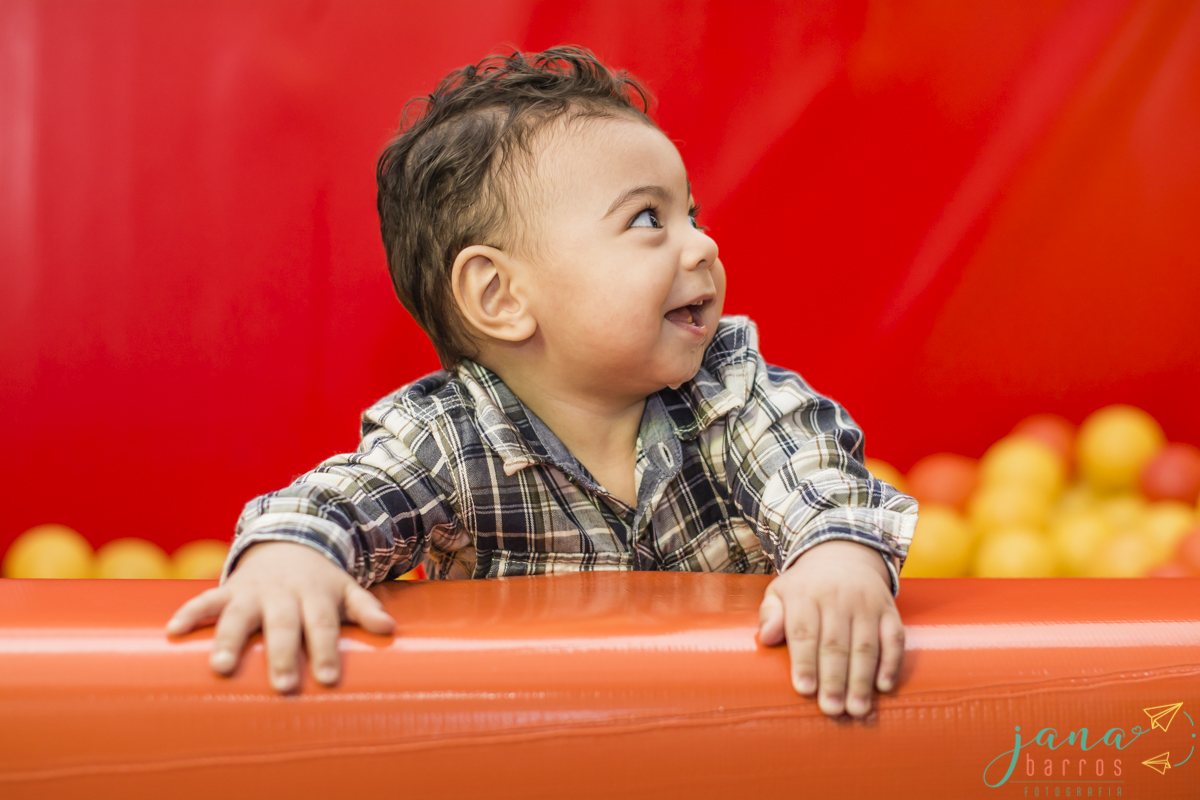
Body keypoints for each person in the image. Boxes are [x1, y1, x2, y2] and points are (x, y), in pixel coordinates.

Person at [167, 46, 917, 719]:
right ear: (501, 296)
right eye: (648, 219)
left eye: (691, 212)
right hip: (522, 746)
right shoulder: (448, 440)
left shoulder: (734, 392)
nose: (704, 244)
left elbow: (816, 475)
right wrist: (292, 562)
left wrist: (839, 558)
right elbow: (339, 502)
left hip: (721, 739)